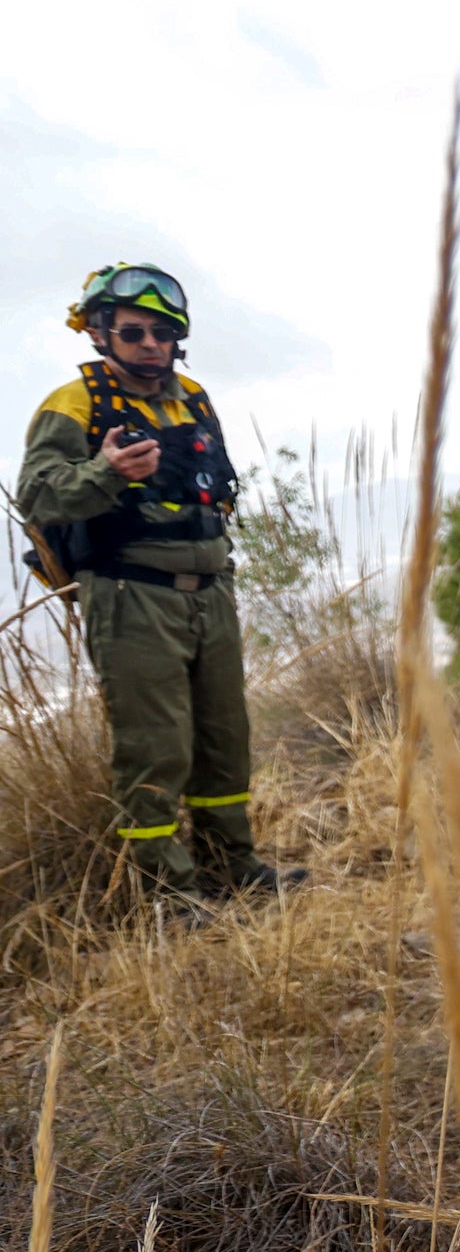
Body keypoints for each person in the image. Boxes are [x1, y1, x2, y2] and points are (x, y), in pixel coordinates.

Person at [13, 262, 296, 901]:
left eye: (160, 333)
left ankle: (234, 869)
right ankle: (167, 893)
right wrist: (106, 472)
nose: (149, 343)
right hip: (128, 593)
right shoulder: (73, 404)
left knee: (224, 738)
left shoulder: (191, 398)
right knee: (154, 748)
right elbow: (37, 496)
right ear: (100, 334)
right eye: (133, 331)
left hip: (210, 592)